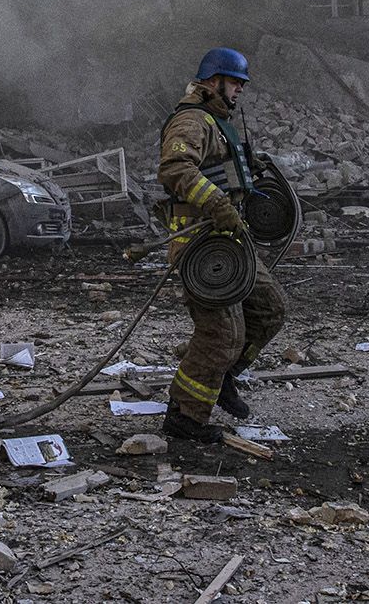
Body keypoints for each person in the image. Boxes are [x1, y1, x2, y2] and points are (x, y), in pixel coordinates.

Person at [157, 47, 289, 444]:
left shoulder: (217, 123)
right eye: (235, 83)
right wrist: (216, 202)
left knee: (270, 308)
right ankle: (184, 417)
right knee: (221, 334)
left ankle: (224, 376)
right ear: (212, 81)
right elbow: (175, 168)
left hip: (230, 239)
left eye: (241, 84)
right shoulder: (191, 120)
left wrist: (249, 167)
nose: (239, 91)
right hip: (200, 244)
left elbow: (221, 169)